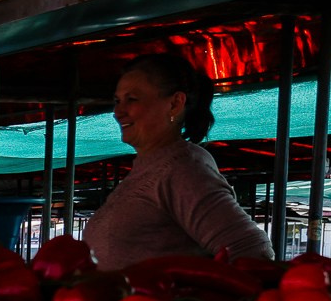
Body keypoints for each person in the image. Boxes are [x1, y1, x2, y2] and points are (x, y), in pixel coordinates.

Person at [85, 51, 273, 272]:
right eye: (117, 101)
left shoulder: (182, 168)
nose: (118, 112)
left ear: (175, 104)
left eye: (132, 99)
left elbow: (250, 251)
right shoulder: (149, 168)